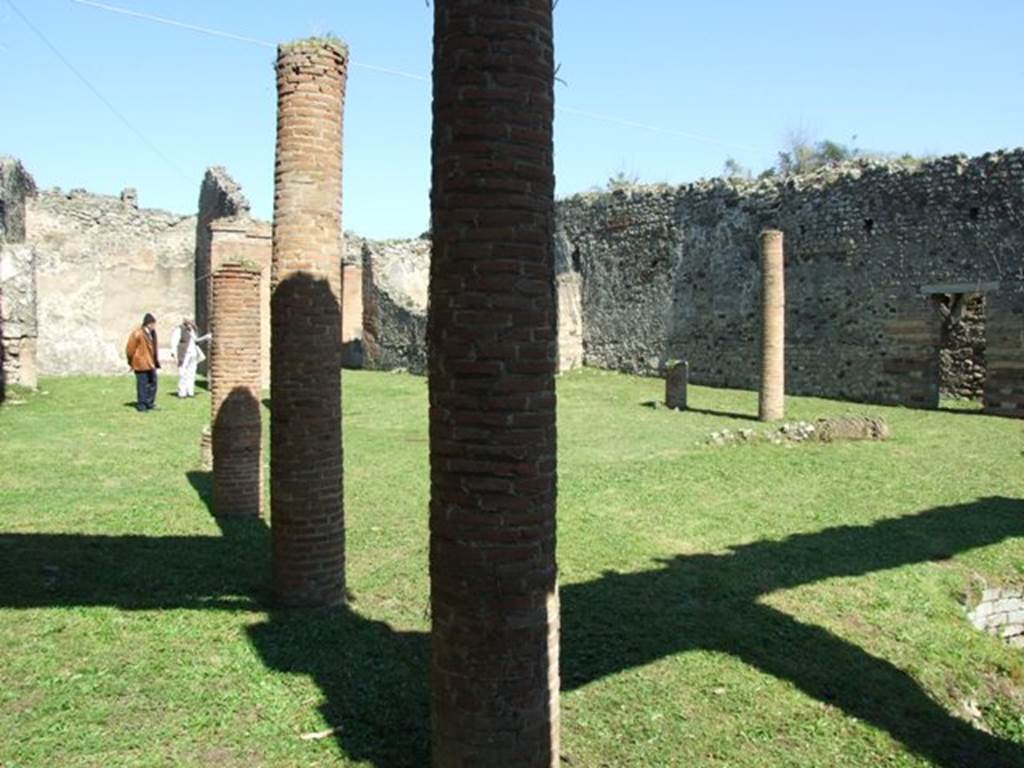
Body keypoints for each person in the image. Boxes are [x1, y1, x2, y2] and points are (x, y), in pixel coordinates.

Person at [126, 313, 160, 412]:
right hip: (140, 363)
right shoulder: (137, 333)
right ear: (148, 324)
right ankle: (142, 405)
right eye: (153, 323)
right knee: (142, 385)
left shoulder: (153, 333)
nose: (154, 326)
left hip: (151, 363)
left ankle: (150, 403)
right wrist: (131, 361)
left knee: (153, 383)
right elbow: (130, 349)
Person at [170, 319, 210, 398]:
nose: (191, 324)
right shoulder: (179, 330)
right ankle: (182, 393)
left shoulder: (192, 330)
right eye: (189, 322)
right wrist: (174, 353)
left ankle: (190, 392)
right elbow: (174, 342)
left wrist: (205, 337)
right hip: (184, 354)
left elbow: (196, 340)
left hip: (193, 353)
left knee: (191, 373)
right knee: (183, 373)